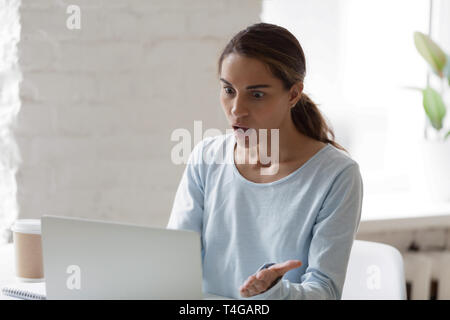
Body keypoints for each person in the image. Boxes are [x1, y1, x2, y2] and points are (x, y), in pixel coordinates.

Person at [167, 22, 363, 300]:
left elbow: (325, 291)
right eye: (228, 90)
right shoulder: (206, 157)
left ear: (293, 94)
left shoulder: (337, 176)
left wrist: (275, 291)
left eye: (256, 95)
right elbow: (174, 261)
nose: (237, 110)